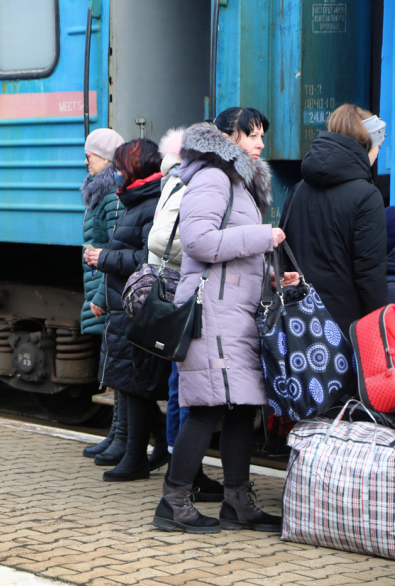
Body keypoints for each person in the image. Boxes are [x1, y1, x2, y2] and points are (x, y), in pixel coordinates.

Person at [152, 108, 297, 534]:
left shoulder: (241, 183)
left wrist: (273, 275)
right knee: (207, 407)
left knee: (242, 410)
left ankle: (237, 502)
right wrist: (262, 236)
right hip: (212, 316)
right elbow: (198, 241)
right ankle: (173, 502)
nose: (260, 143)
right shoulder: (213, 178)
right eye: (252, 134)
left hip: (236, 315)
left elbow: (235, 257)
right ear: (228, 136)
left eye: (262, 135)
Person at [147, 128, 223, 502]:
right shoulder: (185, 180)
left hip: (184, 287)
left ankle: (186, 470)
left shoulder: (176, 176)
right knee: (182, 386)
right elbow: (163, 240)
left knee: (181, 384)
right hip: (186, 289)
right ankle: (184, 474)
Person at [91, 138, 169, 482]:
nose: (117, 171)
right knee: (130, 383)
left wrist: (103, 258)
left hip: (137, 305)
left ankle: (137, 456)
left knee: (137, 384)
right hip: (125, 306)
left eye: (121, 164)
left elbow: (148, 259)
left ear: (135, 167)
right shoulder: (138, 200)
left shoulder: (149, 204)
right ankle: (150, 447)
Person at [280, 104, 388, 335]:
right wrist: (380, 331)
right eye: (378, 146)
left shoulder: (299, 188)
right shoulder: (366, 196)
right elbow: (370, 274)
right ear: (368, 144)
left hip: (298, 323)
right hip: (345, 329)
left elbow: (284, 252)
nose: (378, 153)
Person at [78, 128, 125, 461]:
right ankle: (116, 434)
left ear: (106, 157)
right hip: (100, 283)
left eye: (90, 154)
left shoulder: (111, 193)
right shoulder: (102, 189)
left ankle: (121, 437)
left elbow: (113, 246)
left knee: (118, 366)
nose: (86, 160)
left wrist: (101, 295)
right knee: (113, 363)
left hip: (106, 287)